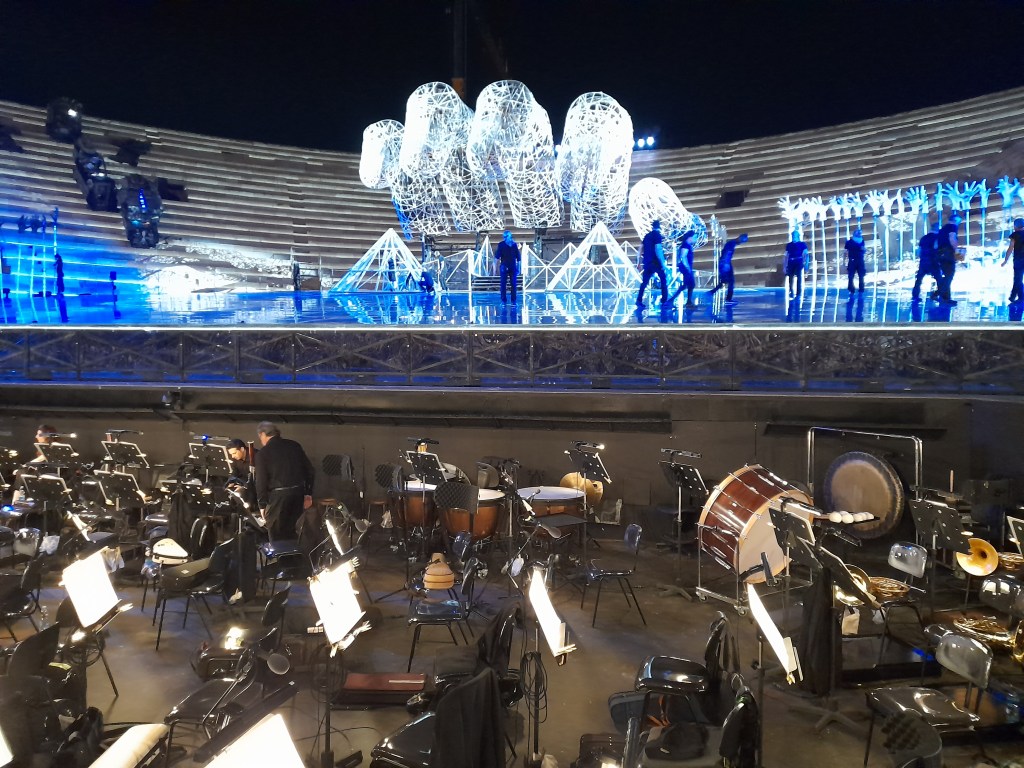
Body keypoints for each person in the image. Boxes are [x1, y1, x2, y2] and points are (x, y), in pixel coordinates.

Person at [253, 421, 314, 539]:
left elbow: (261, 481)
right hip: (298, 493)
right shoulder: (294, 445)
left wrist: (262, 505)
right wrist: (308, 493)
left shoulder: (263, 453)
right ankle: (295, 551)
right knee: (294, 531)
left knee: (277, 534)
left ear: (263, 434)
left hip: (279, 498)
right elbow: (310, 471)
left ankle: (280, 552)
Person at [636, 220, 668, 310]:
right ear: (659, 227)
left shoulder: (647, 236)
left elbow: (640, 249)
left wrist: (638, 262)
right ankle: (664, 301)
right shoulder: (657, 235)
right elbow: (658, 249)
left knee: (644, 282)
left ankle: (639, 300)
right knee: (663, 280)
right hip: (656, 262)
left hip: (647, 262)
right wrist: (663, 263)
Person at [710, 233, 747, 303]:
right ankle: (728, 298)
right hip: (725, 263)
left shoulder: (732, 243)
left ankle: (712, 292)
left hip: (724, 263)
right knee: (731, 281)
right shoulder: (731, 244)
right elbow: (727, 253)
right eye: (742, 241)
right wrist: (726, 264)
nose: (741, 243)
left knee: (724, 281)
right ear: (740, 238)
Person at [934, 211, 962, 305]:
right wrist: (957, 251)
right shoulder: (952, 227)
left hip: (940, 254)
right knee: (950, 275)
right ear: (956, 221)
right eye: (958, 222)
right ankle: (937, 293)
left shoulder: (942, 229)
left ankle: (945, 298)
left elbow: (936, 244)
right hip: (948, 253)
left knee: (947, 275)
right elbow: (952, 239)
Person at [912, 222, 941, 302]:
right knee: (939, 279)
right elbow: (936, 248)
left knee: (919, 280)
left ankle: (915, 296)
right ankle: (937, 295)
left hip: (923, 261)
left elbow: (919, 251)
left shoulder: (924, 238)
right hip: (933, 261)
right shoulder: (937, 238)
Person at [668, 230, 697, 307]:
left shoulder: (688, 245)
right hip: (686, 268)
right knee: (688, 284)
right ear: (690, 238)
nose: (696, 239)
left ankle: (688, 302)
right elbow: (683, 256)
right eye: (694, 237)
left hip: (687, 267)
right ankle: (672, 300)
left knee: (690, 284)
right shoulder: (685, 245)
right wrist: (687, 267)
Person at [494, 230, 521, 302]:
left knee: (513, 284)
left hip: (512, 266)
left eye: (506, 237)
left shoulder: (514, 245)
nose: (505, 238)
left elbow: (518, 258)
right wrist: (495, 269)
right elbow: (497, 257)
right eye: (504, 237)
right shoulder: (501, 245)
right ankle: (504, 300)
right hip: (504, 266)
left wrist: (519, 268)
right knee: (503, 284)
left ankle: (513, 299)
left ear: (510, 237)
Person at [1002, 217, 1024, 304]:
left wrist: (1005, 260)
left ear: (1015, 226)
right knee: (1018, 279)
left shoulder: (1014, 235)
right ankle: (1014, 296)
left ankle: (1018, 297)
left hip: (1018, 260)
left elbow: (1011, 248)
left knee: (1017, 278)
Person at [783, 231, 808, 297]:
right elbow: (786, 255)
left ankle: (798, 292)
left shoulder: (802, 244)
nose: (793, 237)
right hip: (791, 262)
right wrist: (784, 266)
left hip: (799, 261)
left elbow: (806, 254)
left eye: (795, 236)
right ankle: (791, 290)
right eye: (793, 235)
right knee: (790, 277)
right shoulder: (789, 245)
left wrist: (806, 264)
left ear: (798, 236)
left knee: (799, 276)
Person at [843, 228, 866, 294]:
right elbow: (845, 252)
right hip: (855, 260)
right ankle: (854, 288)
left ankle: (855, 288)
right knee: (854, 275)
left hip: (856, 260)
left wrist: (844, 261)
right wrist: (844, 261)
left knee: (857, 275)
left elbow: (845, 252)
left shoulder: (861, 241)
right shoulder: (850, 242)